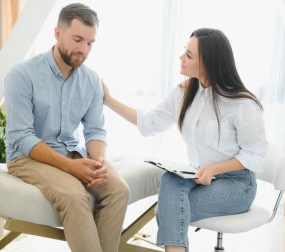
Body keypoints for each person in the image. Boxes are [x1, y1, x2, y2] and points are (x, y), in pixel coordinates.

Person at [102, 28, 268, 252]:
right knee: (170, 181)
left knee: (168, 209)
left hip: (238, 184)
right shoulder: (185, 92)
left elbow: (255, 156)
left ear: (208, 63)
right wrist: (109, 100)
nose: (181, 58)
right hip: (200, 175)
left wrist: (214, 169)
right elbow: (150, 123)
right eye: (184, 51)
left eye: (189, 55)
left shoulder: (242, 104)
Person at [4, 3, 130, 252]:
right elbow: (22, 138)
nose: (83, 50)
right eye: (78, 39)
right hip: (27, 158)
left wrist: (99, 161)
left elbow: (95, 130)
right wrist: (71, 167)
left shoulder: (91, 80)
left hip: (71, 151)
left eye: (90, 43)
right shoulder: (22, 75)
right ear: (57, 33)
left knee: (119, 190)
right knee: (75, 196)